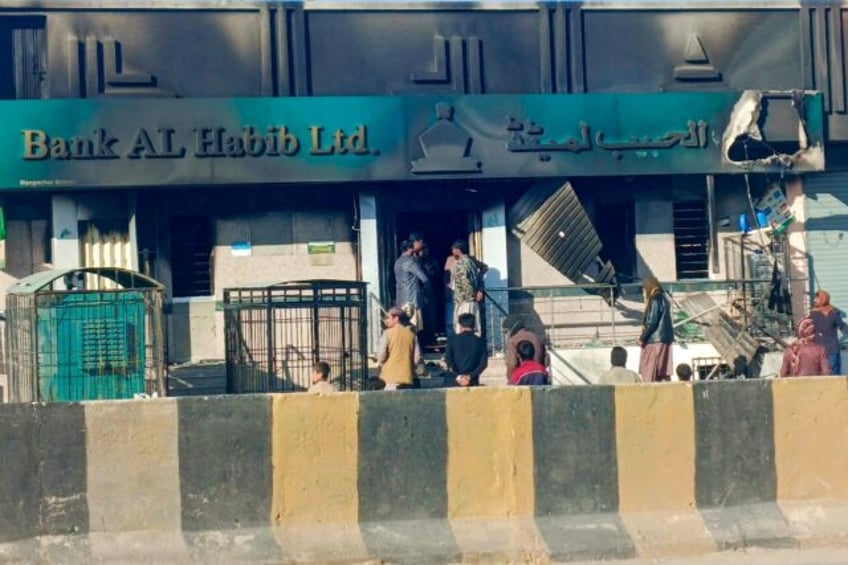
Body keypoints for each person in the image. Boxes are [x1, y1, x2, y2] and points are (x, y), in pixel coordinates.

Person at [444, 248, 488, 338]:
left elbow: (466, 281)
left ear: (458, 249)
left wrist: (476, 290)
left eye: (453, 249)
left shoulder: (465, 262)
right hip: (460, 295)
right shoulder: (451, 260)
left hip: (464, 298)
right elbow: (446, 275)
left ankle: (459, 342)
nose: (452, 251)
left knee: (464, 322)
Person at [638, 276, 674, 383]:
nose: (645, 292)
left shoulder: (655, 299)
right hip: (665, 339)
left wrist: (642, 338)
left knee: (650, 370)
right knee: (662, 371)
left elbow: (652, 321)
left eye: (645, 289)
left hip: (654, 341)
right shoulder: (664, 298)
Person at [377, 306, 422, 390]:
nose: (387, 320)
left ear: (396, 318)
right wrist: (411, 367)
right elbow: (417, 357)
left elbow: (382, 355)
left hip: (389, 378)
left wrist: (380, 362)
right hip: (407, 378)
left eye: (389, 318)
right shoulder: (412, 335)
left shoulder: (387, 333)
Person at [394, 239, 430, 333]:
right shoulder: (410, 262)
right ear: (410, 248)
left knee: (404, 327)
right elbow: (424, 278)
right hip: (412, 299)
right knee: (413, 328)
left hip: (401, 299)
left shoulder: (397, 262)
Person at [444, 312, 488, 387]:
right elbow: (483, 364)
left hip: (453, 381)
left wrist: (459, 376)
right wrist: (470, 376)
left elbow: (449, 361)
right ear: (473, 326)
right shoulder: (480, 342)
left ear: (460, 326)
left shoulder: (452, 340)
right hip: (472, 381)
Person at [809, 290, 847, 375]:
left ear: (823, 299)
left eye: (816, 298)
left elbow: (843, 326)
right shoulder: (813, 314)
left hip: (831, 350)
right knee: (821, 375)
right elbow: (807, 329)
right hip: (818, 350)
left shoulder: (833, 313)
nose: (814, 300)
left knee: (834, 373)